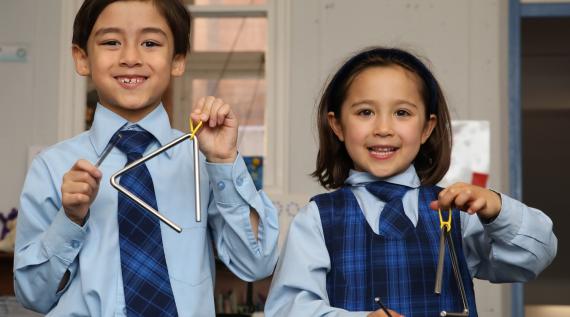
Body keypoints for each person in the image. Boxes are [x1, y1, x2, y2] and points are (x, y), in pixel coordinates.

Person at [14, 0, 278, 316]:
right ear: (82, 58)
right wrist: (69, 219)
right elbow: (32, 296)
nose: (130, 58)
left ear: (177, 60)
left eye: (150, 43)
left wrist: (223, 160)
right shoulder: (53, 168)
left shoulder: (203, 161)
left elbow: (257, 262)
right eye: (111, 42)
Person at [265, 47, 557, 317]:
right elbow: (287, 309)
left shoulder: (457, 212)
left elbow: (532, 258)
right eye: (365, 112)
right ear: (338, 125)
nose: (383, 128)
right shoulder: (316, 219)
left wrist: (497, 208)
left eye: (402, 113)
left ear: (427, 128)